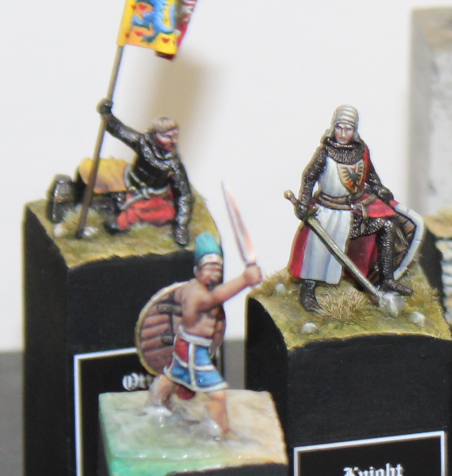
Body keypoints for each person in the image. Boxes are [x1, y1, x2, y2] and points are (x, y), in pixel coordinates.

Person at [288, 105, 411, 314]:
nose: (343, 134)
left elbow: (370, 176)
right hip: (327, 211)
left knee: (387, 225)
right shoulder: (325, 153)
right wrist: (304, 204)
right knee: (317, 248)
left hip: (354, 211)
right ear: (333, 127)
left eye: (348, 129)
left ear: (355, 130)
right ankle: (308, 289)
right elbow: (309, 177)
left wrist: (379, 188)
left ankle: (387, 278)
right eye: (340, 128)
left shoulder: (361, 150)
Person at [146, 234, 261, 436]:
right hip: (191, 348)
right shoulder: (196, 292)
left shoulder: (203, 289)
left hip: (191, 346)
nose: (214, 274)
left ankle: (157, 400)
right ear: (196, 270)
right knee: (218, 394)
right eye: (209, 268)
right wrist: (244, 279)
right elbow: (215, 298)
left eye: (218, 269)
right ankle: (216, 429)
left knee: (174, 376)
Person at [95, 98, 192, 246]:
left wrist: (181, 225)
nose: (174, 141)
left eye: (175, 136)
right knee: (97, 176)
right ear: (154, 134)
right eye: (168, 136)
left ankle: (124, 218)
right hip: (129, 183)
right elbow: (120, 130)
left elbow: (184, 195)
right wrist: (107, 114)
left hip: (151, 197)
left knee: (158, 214)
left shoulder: (174, 165)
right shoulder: (142, 143)